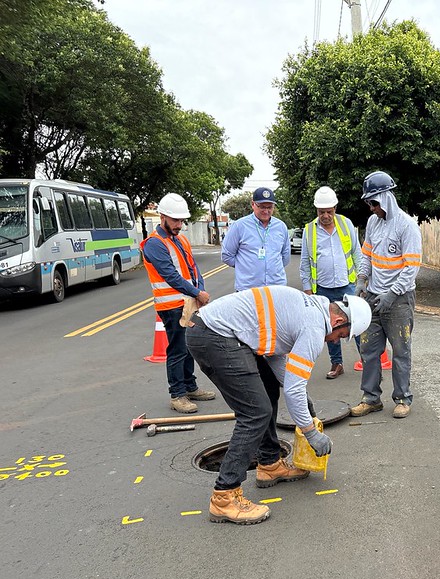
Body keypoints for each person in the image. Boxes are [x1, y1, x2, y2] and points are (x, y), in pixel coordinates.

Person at [185, 287, 372, 525]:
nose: (337, 341)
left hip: (216, 332)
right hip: (215, 336)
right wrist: (311, 433)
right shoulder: (315, 326)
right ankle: (225, 496)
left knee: (269, 390)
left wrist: (303, 396)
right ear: (338, 320)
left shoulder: (311, 307)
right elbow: (293, 389)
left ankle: (270, 463)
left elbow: (274, 354)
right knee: (255, 412)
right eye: (342, 335)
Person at [349, 171, 422, 420]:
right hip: (373, 297)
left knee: (401, 350)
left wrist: (392, 293)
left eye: (374, 203)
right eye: (369, 203)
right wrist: (361, 280)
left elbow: (411, 267)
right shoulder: (372, 223)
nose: (371, 208)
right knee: (369, 350)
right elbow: (366, 255)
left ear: (387, 198)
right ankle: (370, 398)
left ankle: (402, 398)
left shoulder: (407, 225)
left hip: (399, 300)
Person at [140, 193, 216, 414]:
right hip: (171, 306)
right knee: (177, 349)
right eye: (175, 220)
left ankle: (190, 387)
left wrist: (199, 290)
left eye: (182, 221)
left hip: (188, 302)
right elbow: (171, 276)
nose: (179, 225)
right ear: (162, 216)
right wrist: (197, 293)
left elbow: (193, 268)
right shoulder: (154, 244)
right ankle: (177, 394)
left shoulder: (181, 239)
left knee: (189, 347)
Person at [300, 185, 362, 379]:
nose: (325, 215)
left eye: (328, 211)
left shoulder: (346, 224)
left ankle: (367, 360)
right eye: (321, 212)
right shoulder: (309, 231)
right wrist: (308, 290)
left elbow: (357, 253)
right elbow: (304, 262)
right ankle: (337, 364)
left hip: (348, 286)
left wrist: (362, 281)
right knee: (330, 328)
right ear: (316, 210)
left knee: (357, 324)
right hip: (323, 289)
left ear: (335, 208)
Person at [221, 187, 291, 291]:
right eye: (262, 207)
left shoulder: (281, 227)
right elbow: (227, 255)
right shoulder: (239, 226)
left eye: (270, 207)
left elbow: (285, 257)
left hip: (276, 288)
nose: (266, 211)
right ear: (253, 204)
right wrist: (245, 267)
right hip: (248, 290)